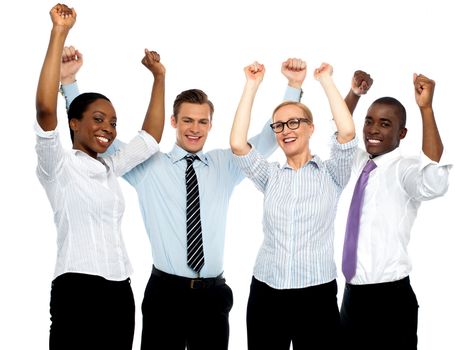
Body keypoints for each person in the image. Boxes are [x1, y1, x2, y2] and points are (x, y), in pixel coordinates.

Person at [60, 53, 305, 348]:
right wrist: (69, 82)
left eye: (203, 121)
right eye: (187, 120)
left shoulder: (224, 165)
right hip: (165, 295)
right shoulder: (147, 165)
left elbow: (265, 141)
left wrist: (292, 86)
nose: (195, 128)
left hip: (213, 297)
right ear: (174, 121)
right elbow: (98, 139)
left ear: (211, 125)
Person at [286, 70, 451, 349]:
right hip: (352, 298)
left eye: (385, 124)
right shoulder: (361, 162)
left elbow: (433, 178)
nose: (373, 129)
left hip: (391, 302)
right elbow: (341, 133)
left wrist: (426, 108)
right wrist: (354, 94)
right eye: (369, 121)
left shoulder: (405, 170)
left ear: (401, 133)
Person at [35, 4, 165, 349]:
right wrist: (60, 33)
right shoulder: (57, 166)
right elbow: (46, 109)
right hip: (76, 290)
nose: (107, 128)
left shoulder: (111, 167)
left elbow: (151, 138)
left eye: (112, 122)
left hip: (120, 291)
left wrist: (159, 77)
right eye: (97, 119)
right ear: (74, 123)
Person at [230, 60, 357, 349]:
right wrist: (252, 85)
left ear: (311, 128)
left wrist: (325, 79)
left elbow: (347, 133)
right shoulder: (270, 176)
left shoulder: (332, 173)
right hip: (266, 293)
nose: (285, 130)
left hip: (316, 296)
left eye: (294, 122)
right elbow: (238, 144)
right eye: (279, 125)